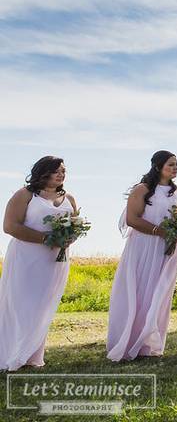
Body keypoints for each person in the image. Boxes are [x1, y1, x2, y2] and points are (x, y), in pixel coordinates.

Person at [107, 150, 177, 361]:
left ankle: (150, 343)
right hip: (145, 246)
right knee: (141, 291)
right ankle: (130, 341)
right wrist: (159, 231)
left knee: (160, 293)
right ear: (158, 166)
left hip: (170, 248)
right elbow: (132, 219)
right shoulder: (143, 190)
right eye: (171, 164)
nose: (175, 168)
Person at [0, 156, 80, 371]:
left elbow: (74, 228)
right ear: (43, 172)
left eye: (64, 170)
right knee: (21, 304)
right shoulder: (25, 195)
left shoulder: (69, 198)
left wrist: (69, 239)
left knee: (44, 305)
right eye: (56, 170)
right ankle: (12, 353)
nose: (61, 174)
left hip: (55, 261)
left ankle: (33, 354)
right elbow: (10, 226)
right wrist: (46, 239)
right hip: (26, 258)